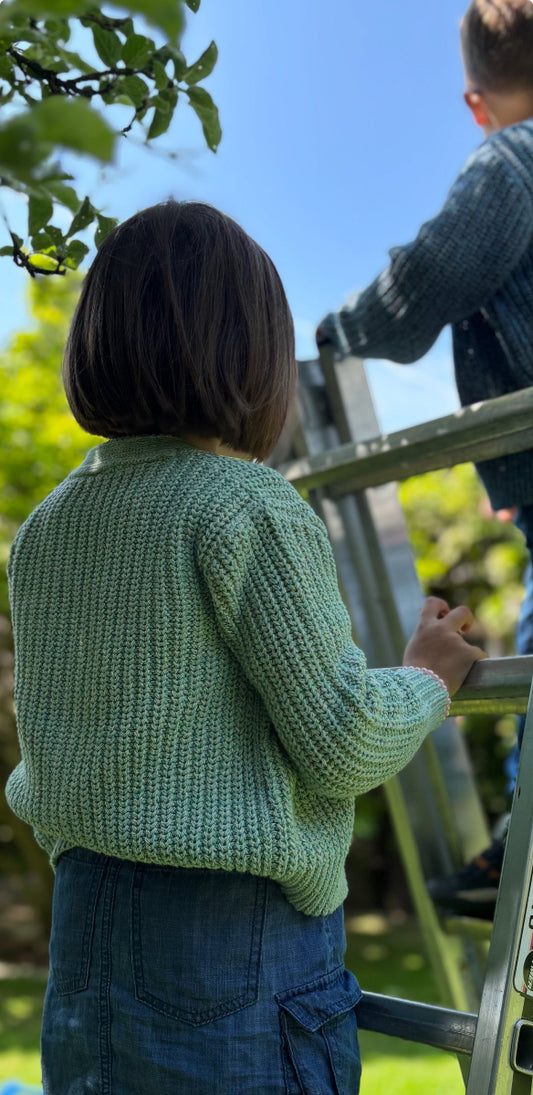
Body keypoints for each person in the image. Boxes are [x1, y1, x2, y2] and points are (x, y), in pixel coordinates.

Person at [5, 201, 484, 1095]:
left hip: (87, 921)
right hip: (233, 940)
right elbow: (340, 738)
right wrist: (426, 677)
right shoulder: (245, 505)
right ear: (252, 354)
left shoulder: (49, 527)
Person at [317, 0, 533, 921]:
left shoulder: (510, 166)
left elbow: (423, 288)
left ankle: (524, 849)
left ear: (473, 100)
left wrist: (335, 335)